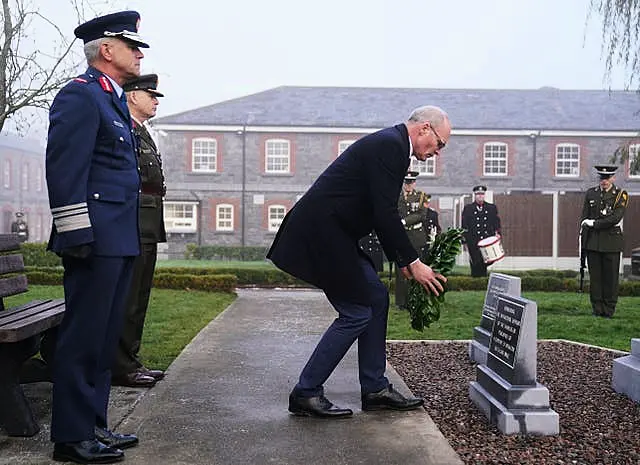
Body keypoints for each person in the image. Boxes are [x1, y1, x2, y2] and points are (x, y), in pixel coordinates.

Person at [267, 105, 450, 418]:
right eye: (440, 144)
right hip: (322, 236)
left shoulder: (393, 146)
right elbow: (385, 213)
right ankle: (306, 392)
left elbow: (379, 212)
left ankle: (375, 388)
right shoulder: (390, 146)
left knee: (376, 298)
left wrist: (402, 259)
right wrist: (414, 261)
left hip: (335, 235)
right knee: (356, 312)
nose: (438, 152)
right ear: (424, 130)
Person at [45, 11, 147, 464]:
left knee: (105, 339)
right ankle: (70, 437)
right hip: (94, 238)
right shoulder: (81, 97)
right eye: (132, 45)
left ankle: (94, 426)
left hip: (119, 237)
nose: (139, 53)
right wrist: (76, 233)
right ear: (106, 49)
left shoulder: (113, 99)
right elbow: (66, 170)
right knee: (83, 337)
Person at [111, 74, 167, 388]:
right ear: (132, 96)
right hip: (132, 221)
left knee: (140, 297)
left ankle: (131, 360)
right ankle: (121, 366)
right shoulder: (126, 130)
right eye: (151, 95)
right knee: (129, 299)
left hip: (147, 222)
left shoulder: (141, 132)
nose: (155, 100)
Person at [580, 165, 628, 318]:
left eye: (607, 178)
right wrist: (582, 238)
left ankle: (608, 309)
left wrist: (594, 224)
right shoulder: (591, 194)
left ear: (613, 178)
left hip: (611, 243)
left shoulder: (620, 195)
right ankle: (597, 309)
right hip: (593, 242)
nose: (604, 181)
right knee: (596, 278)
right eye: (602, 178)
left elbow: (615, 218)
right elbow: (584, 218)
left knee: (611, 279)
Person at [395, 170, 429, 309]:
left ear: (414, 183)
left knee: (417, 268)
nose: (408, 185)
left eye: (411, 182)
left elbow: (422, 215)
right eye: (406, 183)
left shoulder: (421, 197)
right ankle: (401, 301)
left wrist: (405, 221)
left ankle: (415, 300)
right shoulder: (397, 196)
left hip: (416, 236)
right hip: (402, 236)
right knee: (401, 270)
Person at [461, 185, 501, 277]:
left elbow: (496, 222)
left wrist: (497, 233)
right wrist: (464, 239)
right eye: (478, 194)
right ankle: (475, 281)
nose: (480, 196)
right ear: (474, 195)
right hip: (473, 241)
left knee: (485, 262)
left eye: (482, 194)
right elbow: (465, 225)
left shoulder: (491, 208)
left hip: (486, 240)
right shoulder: (468, 208)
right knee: (475, 262)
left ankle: (483, 281)